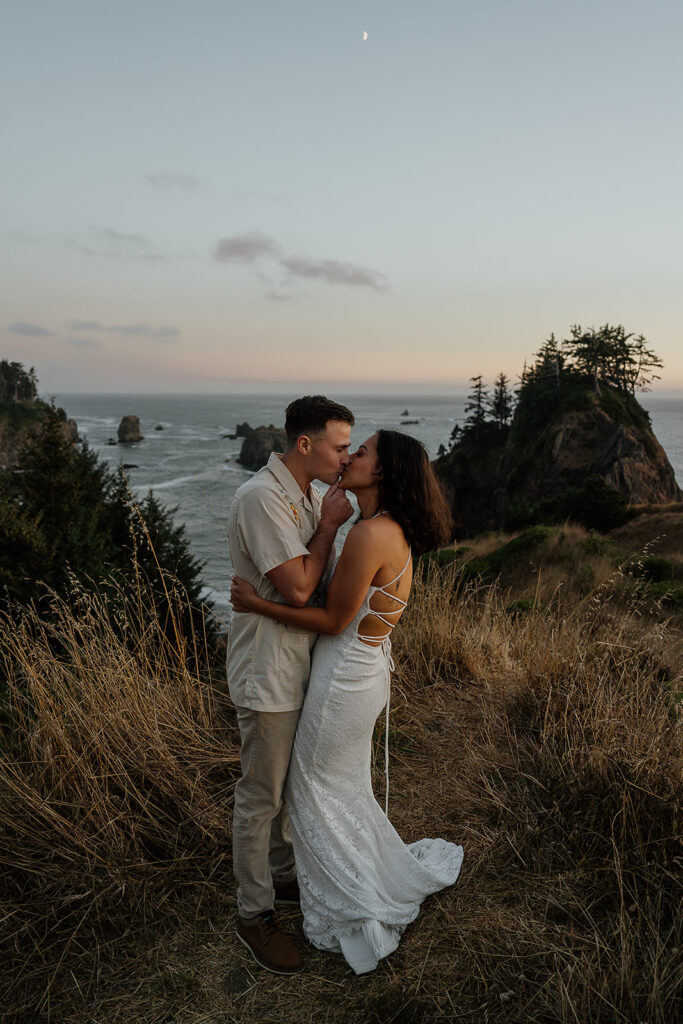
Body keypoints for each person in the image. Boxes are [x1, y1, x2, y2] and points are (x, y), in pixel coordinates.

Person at [231, 430, 464, 975]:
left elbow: (336, 620)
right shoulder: (380, 529)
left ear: (382, 473)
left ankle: (350, 894)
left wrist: (257, 606)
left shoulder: (369, 535)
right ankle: (338, 873)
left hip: (343, 681)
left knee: (312, 785)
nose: (351, 455)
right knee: (338, 785)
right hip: (363, 673)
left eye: (363, 452)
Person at [227, 395, 355, 975]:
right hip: (267, 671)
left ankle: (280, 880)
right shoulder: (261, 498)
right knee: (260, 798)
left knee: (281, 789)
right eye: (340, 446)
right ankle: (253, 916)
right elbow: (300, 589)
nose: (347, 457)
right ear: (306, 445)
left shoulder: (303, 492)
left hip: (297, 663)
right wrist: (329, 526)